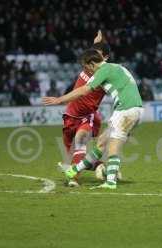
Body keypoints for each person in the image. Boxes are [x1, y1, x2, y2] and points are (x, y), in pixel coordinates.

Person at [43, 49, 143, 189]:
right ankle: (74, 170)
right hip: (136, 110)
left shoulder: (103, 70)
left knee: (112, 147)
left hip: (125, 110)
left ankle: (110, 182)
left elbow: (84, 90)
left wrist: (60, 99)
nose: (86, 71)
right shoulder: (115, 67)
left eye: (85, 67)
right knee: (102, 142)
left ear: (91, 64)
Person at [47, 30, 112, 187]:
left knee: (80, 143)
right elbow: (92, 53)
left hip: (86, 115)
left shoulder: (107, 74)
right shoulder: (90, 62)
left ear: (106, 58)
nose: (93, 60)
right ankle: (100, 167)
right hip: (70, 116)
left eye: (98, 55)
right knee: (75, 155)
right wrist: (96, 41)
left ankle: (73, 178)